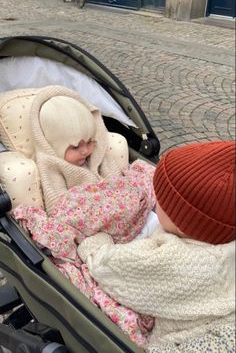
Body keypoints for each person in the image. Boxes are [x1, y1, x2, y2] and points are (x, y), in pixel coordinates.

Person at [77, 141, 235, 350]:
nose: (155, 200)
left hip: (186, 340)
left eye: (160, 200)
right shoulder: (223, 236)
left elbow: (112, 270)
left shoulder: (175, 261)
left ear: (183, 224)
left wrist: (95, 245)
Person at [30, 85, 123, 214]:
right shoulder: (50, 164)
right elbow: (58, 204)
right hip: (81, 212)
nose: (85, 151)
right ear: (54, 146)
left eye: (89, 141)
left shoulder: (95, 155)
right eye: (75, 147)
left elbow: (114, 178)